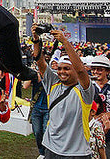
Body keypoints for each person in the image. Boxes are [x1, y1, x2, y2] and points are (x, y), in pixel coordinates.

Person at [32, 25, 94, 158]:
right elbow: (40, 62)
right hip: (51, 148)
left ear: (74, 71)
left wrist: (65, 42)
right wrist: (36, 40)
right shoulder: (53, 84)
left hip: (77, 152)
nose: (61, 72)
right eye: (59, 68)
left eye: (66, 68)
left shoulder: (84, 91)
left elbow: (82, 71)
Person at [90, 55, 110, 157]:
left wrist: (107, 116)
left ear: (107, 71)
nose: (96, 72)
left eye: (99, 69)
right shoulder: (89, 87)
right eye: (94, 69)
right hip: (93, 131)